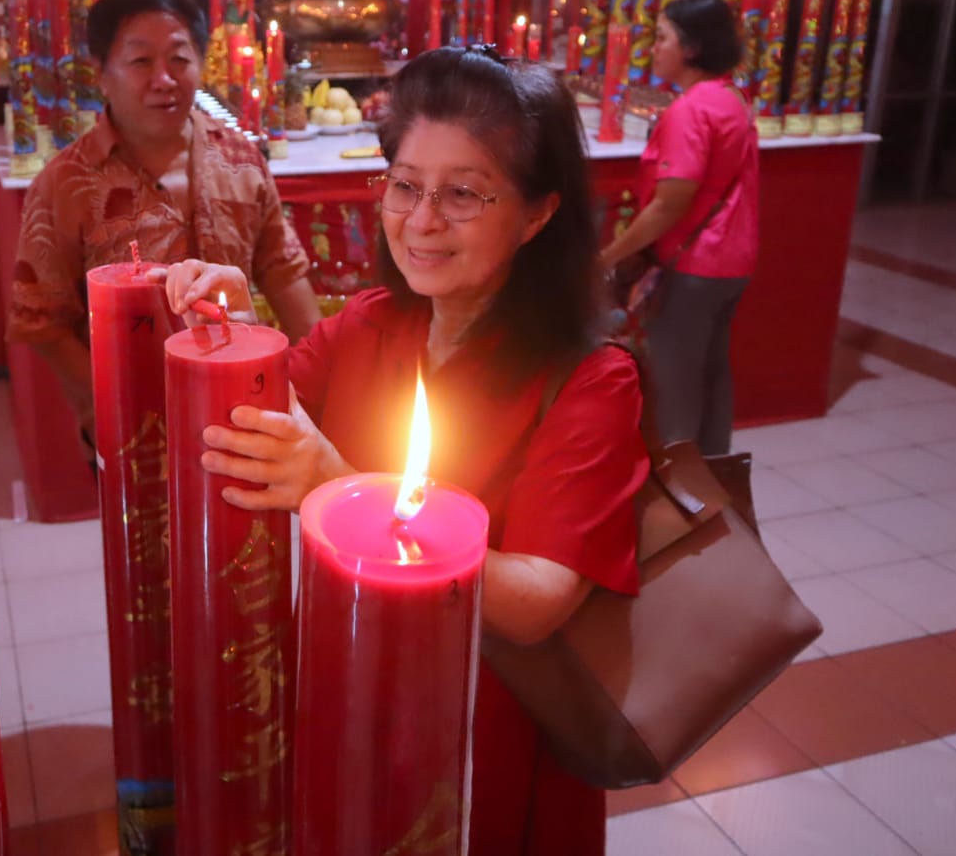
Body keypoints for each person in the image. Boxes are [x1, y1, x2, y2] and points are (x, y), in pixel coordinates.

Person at [163, 49, 649, 854]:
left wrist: (340, 486)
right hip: (347, 681)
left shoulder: (592, 381)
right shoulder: (372, 323)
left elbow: (535, 602)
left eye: (463, 193)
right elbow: (267, 403)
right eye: (406, 185)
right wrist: (233, 324)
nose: (422, 220)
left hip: (479, 725)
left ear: (536, 214)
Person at [7, 0, 320, 437]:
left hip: (241, 408)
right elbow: (42, 324)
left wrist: (314, 388)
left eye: (178, 58)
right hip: (133, 425)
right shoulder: (64, 182)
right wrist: (114, 403)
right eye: (140, 61)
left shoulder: (241, 158)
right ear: (101, 73)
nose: (164, 79)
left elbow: (283, 272)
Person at [599, 0, 760, 455]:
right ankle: (713, 477)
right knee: (712, 373)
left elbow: (671, 204)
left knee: (675, 384)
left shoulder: (690, 111)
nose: (654, 48)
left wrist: (610, 255)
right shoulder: (731, 98)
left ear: (690, 48)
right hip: (733, 261)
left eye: (663, 37)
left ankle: (680, 493)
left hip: (694, 264)